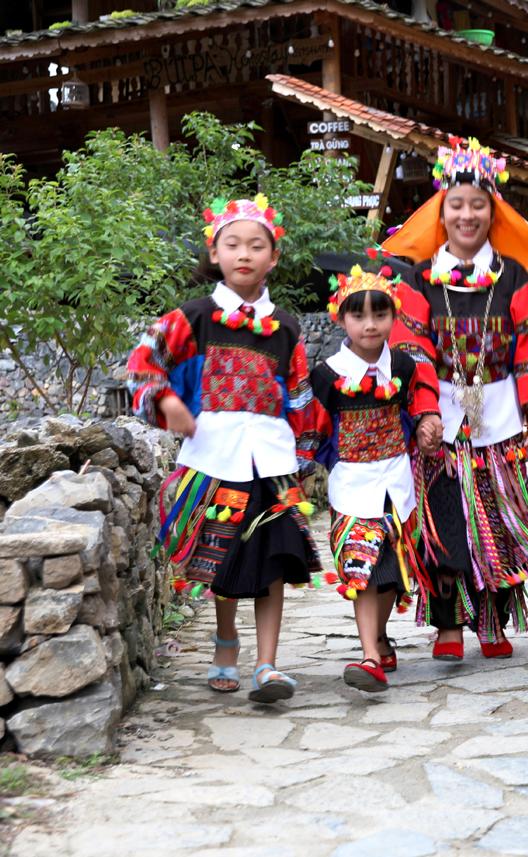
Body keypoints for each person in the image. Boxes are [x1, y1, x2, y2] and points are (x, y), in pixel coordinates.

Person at [127, 195, 320, 703]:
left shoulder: (288, 327)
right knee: (225, 559)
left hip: (273, 462)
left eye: (257, 246)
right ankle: (226, 644)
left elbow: (300, 397)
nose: (244, 254)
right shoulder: (193, 317)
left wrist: (304, 455)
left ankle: (268, 665)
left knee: (275, 557)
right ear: (214, 253)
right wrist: (167, 402)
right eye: (232, 244)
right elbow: (144, 363)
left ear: (272, 258)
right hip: (215, 459)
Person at [382, 137, 528, 661]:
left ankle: (493, 621)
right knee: (444, 519)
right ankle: (447, 627)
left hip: (499, 421)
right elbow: (410, 347)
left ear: (493, 210)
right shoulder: (417, 281)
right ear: (442, 210)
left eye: (478, 205)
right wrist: (425, 412)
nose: (467, 215)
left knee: (500, 523)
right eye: (456, 205)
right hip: (438, 422)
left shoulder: (515, 280)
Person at [309, 265, 442, 690]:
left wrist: (425, 426)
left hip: (397, 486)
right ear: (341, 318)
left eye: (380, 314)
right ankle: (369, 655)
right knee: (361, 569)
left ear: (394, 316)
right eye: (359, 315)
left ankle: (380, 634)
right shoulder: (328, 375)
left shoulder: (402, 365)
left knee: (391, 575)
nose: (370, 324)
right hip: (351, 486)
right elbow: (315, 428)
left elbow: (415, 406)